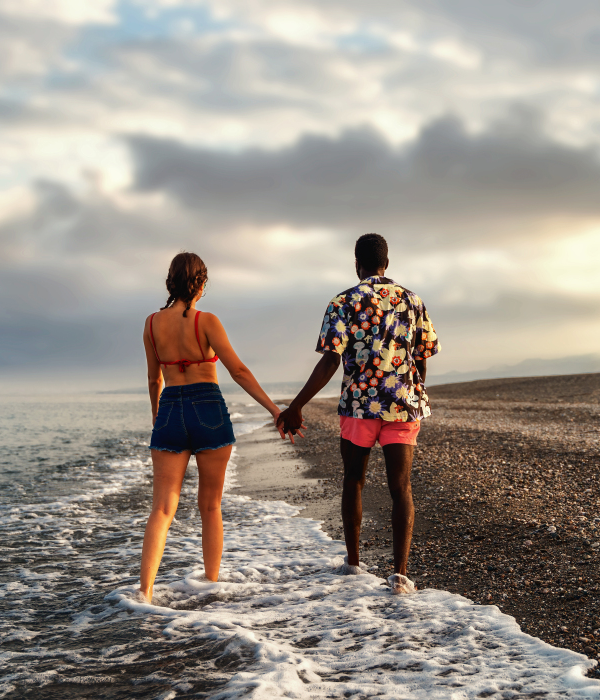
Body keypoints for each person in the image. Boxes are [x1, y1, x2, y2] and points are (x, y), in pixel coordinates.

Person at [276, 233, 439, 595]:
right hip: (402, 403)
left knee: (354, 479)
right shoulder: (413, 301)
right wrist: (411, 391)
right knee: (401, 487)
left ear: (356, 262)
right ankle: (400, 575)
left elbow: (331, 360)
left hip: (359, 405)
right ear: (387, 261)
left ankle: (353, 564)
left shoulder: (343, 301)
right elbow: (422, 356)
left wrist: (297, 406)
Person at [135, 252, 282, 604]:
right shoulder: (207, 321)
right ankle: (212, 583)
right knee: (210, 506)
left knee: (162, 509)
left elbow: (154, 379)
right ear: (201, 282)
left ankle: (144, 592)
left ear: (170, 282)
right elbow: (239, 371)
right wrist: (275, 409)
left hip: (171, 407)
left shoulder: (152, 324)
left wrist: (160, 416)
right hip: (208, 408)